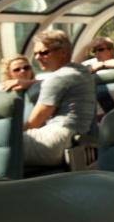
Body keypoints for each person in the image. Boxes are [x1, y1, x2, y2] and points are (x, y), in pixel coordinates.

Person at [22, 30, 95, 166]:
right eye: (36, 54)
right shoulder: (81, 70)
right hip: (76, 138)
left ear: (62, 52)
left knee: (5, 142)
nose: (37, 57)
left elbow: (33, 123)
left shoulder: (57, 79)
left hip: (56, 140)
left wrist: (9, 132)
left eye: (44, 53)